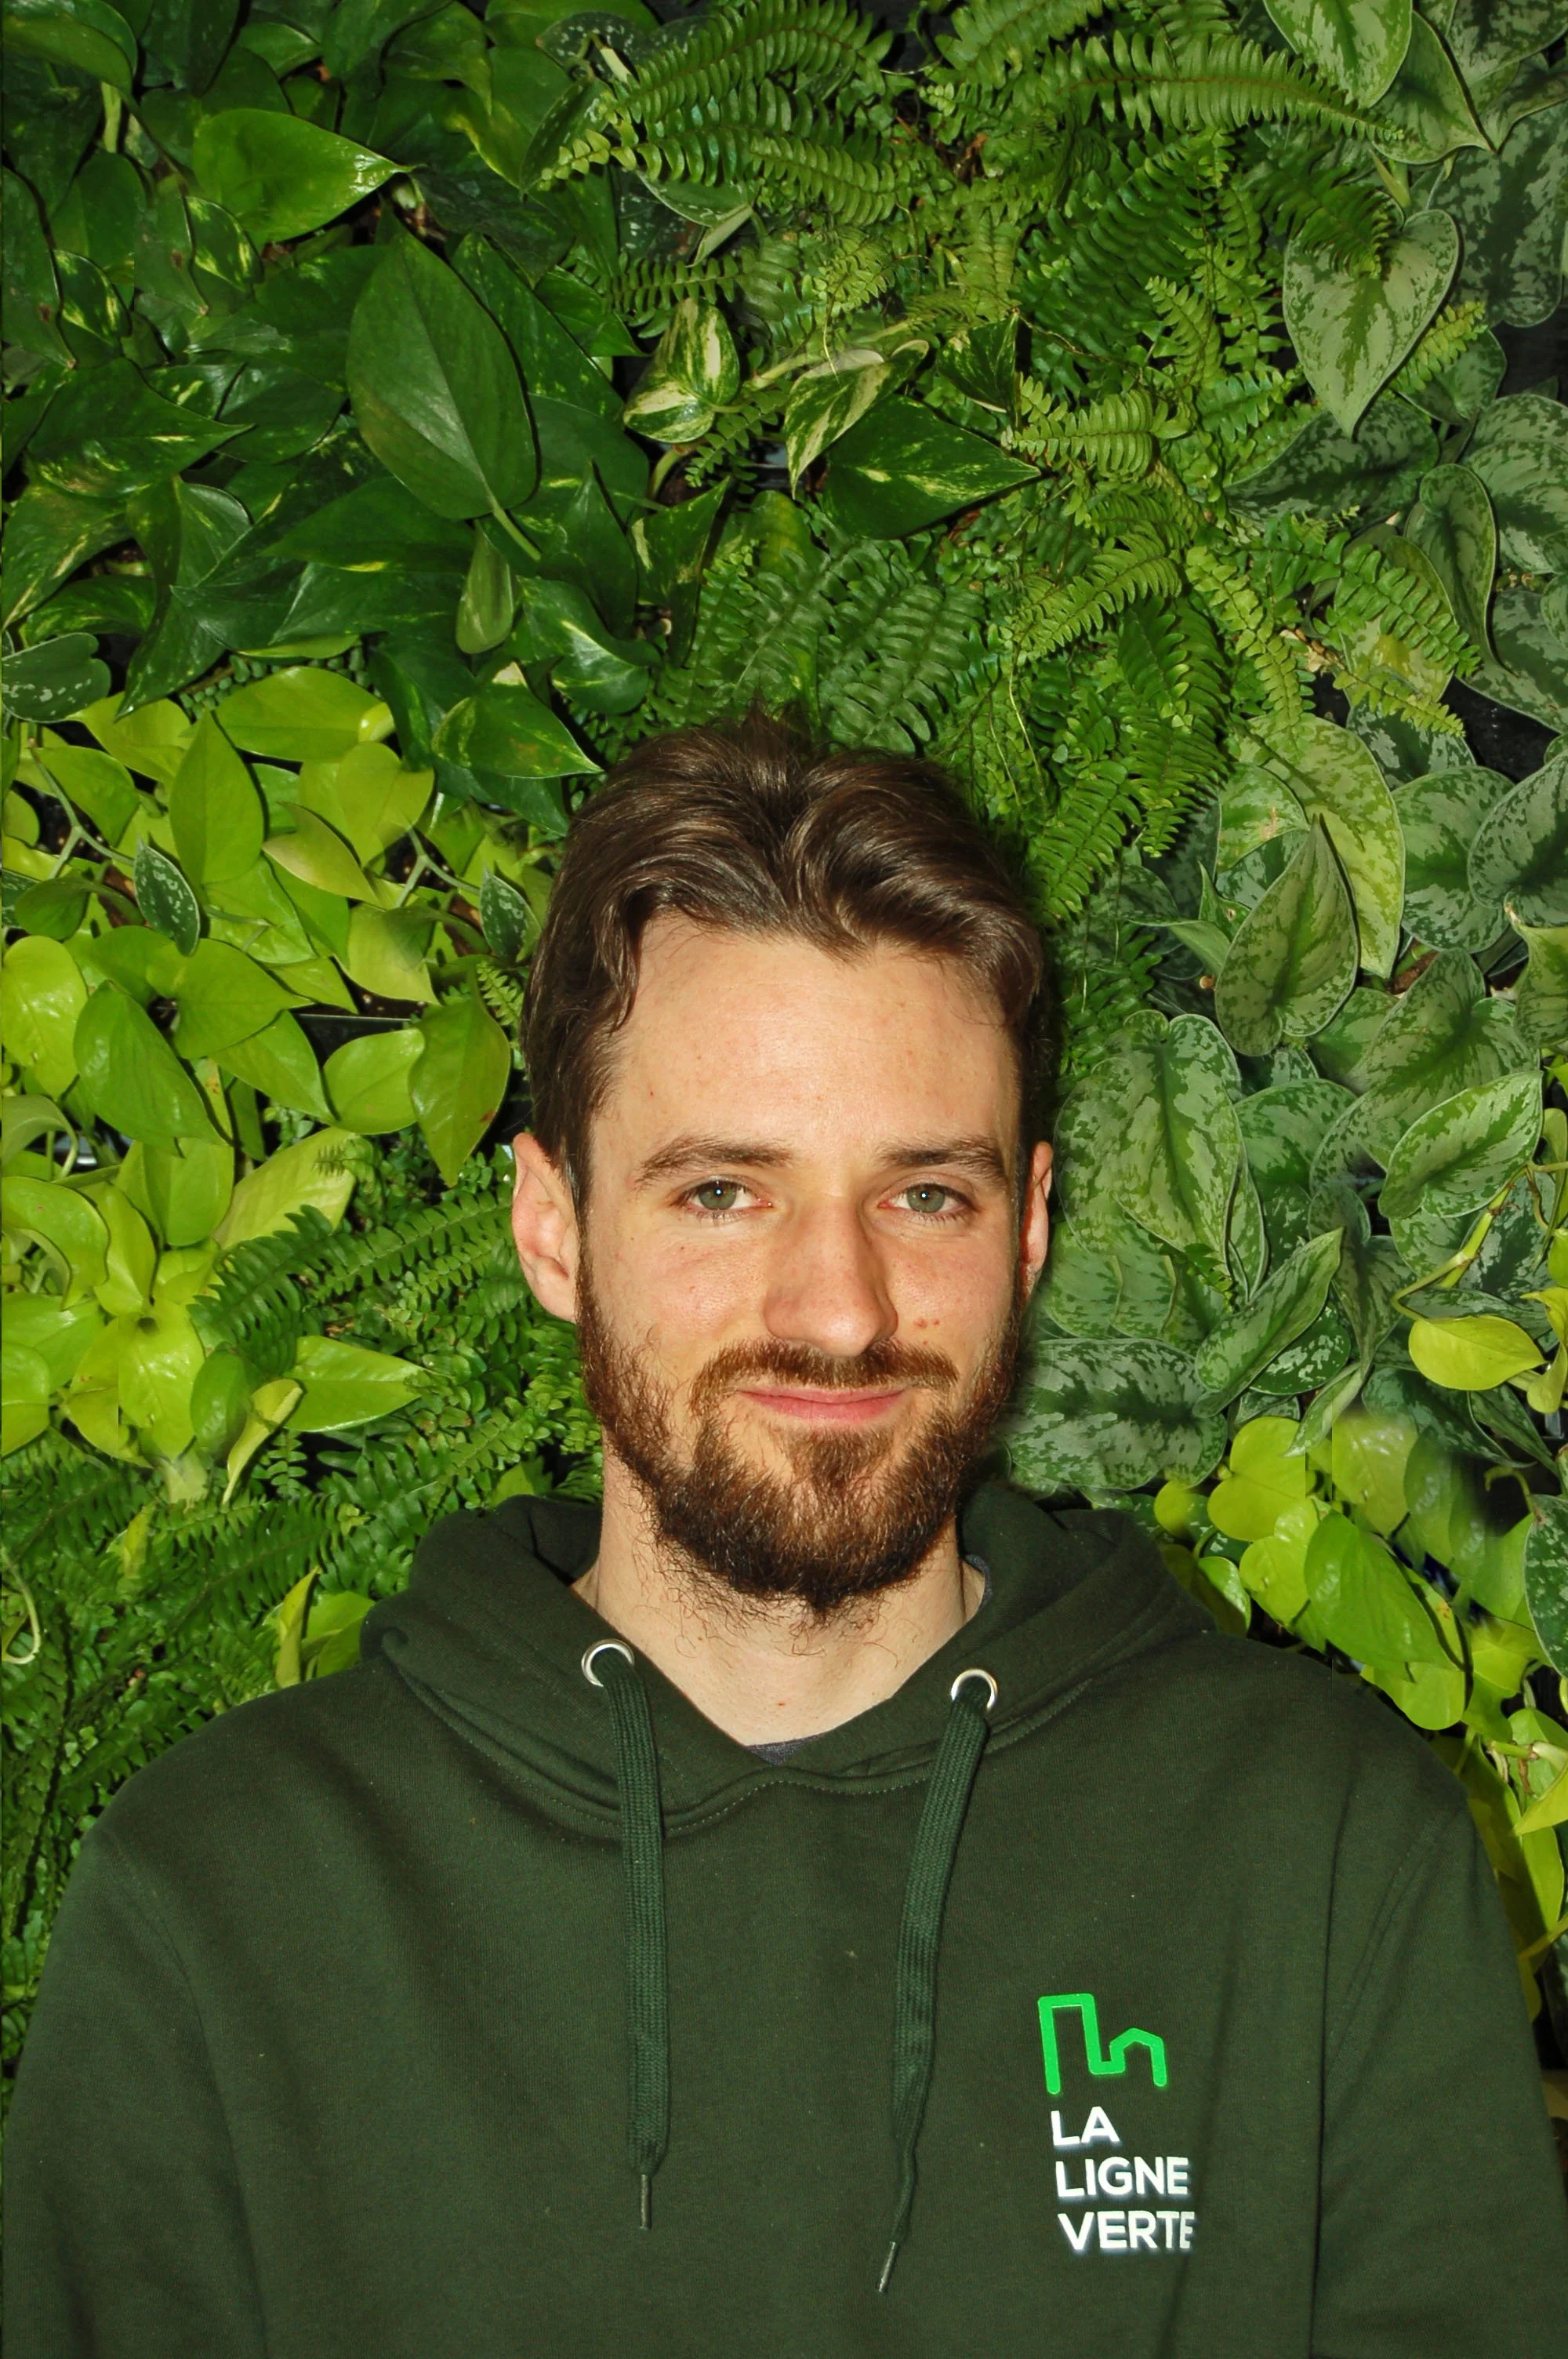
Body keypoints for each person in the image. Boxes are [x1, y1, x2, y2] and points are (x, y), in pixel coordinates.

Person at [5, 710, 1566, 2358]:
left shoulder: (1322, 1854)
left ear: (1027, 1228)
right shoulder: (227, 1903)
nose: (840, 1306)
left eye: (924, 1195)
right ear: (554, 1227)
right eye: (723, 1192)